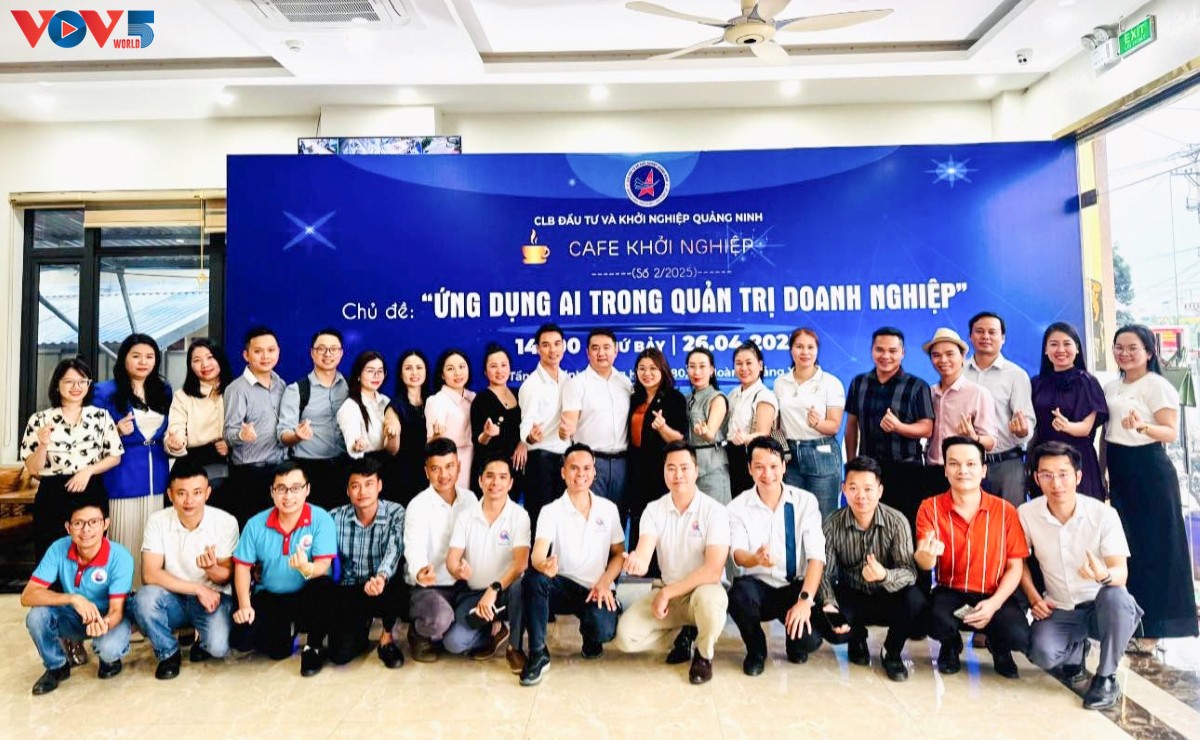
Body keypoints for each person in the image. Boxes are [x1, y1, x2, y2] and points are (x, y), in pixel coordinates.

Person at [1021, 442, 1143, 710]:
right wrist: (1033, 597)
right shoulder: (1027, 514)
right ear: (1037, 478)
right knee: (1041, 653)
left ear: (1078, 477)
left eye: (1063, 474)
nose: (1056, 483)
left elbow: (1120, 573)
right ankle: (1077, 648)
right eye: (1047, 475)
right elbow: (1017, 562)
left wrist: (1103, 575)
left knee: (1116, 596)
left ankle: (1106, 677)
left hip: (1101, 608)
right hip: (1061, 608)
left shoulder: (1103, 515)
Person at [1102, 324, 1197, 649]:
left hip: (1150, 471)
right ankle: (1133, 622)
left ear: (1148, 352)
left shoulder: (1157, 385)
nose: (1125, 353)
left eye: (1133, 348)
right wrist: (1102, 472)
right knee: (1128, 549)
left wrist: (1144, 427)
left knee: (1156, 548)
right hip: (1120, 469)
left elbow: (1170, 432)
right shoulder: (1112, 386)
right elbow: (1107, 434)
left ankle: (1155, 628)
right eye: (1119, 347)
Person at [614, 441, 730, 685]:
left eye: (684, 468)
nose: (678, 475)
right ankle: (683, 634)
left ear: (696, 471)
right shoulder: (654, 510)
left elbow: (713, 570)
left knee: (712, 604)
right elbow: (644, 552)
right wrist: (636, 563)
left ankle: (703, 654)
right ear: (664, 472)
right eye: (671, 468)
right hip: (669, 595)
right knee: (626, 637)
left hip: (702, 591)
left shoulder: (715, 511)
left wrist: (667, 593)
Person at [916, 436, 1030, 678]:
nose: (963, 471)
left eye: (970, 464)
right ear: (945, 470)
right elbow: (926, 561)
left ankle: (998, 645)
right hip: (951, 591)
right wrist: (925, 556)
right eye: (954, 464)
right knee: (932, 619)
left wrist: (994, 604)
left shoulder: (1005, 511)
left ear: (983, 470)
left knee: (1018, 635)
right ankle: (951, 644)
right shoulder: (930, 507)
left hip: (993, 592)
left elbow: (1015, 567)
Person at [520, 443, 626, 686]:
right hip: (563, 585)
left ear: (594, 472)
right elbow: (537, 555)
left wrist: (605, 582)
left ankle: (590, 635)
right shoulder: (551, 511)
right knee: (533, 579)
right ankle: (538, 653)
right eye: (574, 468)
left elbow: (619, 554)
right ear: (563, 472)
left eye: (586, 468)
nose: (580, 474)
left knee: (603, 630)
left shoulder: (608, 509)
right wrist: (544, 565)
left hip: (596, 589)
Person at [818, 456, 927, 682]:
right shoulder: (832, 524)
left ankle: (891, 651)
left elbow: (909, 572)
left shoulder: (897, 521)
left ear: (880, 490)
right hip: (852, 593)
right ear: (843, 490)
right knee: (829, 624)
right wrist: (829, 602)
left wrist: (884, 575)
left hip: (887, 594)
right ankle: (857, 638)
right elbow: (824, 573)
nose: (861, 496)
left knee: (915, 601)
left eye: (868, 489)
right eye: (853, 488)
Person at [726, 437, 826, 676]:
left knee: (809, 640)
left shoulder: (805, 502)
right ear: (749, 469)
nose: (767, 474)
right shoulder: (737, 507)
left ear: (783, 466)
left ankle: (794, 641)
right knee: (738, 596)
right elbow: (738, 555)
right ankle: (756, 650)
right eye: (759, 467)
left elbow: (816, 557)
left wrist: (804, 601)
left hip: (793, 587)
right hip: (758, 587)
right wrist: (756, 559)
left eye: (773, 466)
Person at [130, 462, 239, 679]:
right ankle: (168, 652)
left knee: (218, 647)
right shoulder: (157, 521)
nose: (189, 501)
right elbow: (150, 574)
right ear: (170, 494)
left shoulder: (226, 522)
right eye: (181, 493)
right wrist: (197, 588)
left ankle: (203, 642)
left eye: (197, 492)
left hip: (213, 599)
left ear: (207, 493)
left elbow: (227, 575)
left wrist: (212, 569)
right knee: (144, 599)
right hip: (174, 597)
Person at [230, 461, 338, 677]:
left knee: (324, 587)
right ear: (272, 492)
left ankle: (313, 647)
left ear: (307, 489)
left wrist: (306, 568)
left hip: (308, 592)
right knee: (245, 641)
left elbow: (324, 565)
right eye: (281, 489)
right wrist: (245, 605)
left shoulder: (321, 519)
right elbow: (242, 567)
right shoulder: (255, 524)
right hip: (271, 595)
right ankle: (287, 631)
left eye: (296, 488)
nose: (288, 496)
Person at [22, 498, 133, 695]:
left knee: (109, 648)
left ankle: (109, 659)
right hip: (73, 615)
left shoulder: (120, 556)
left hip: (107, 617)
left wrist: (104, 624)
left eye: (94, 522)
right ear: (68, 527)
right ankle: (57, 666)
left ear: (105, 524)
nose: (86, 530)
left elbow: (117, 610)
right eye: (78, 523)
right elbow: (28, 596)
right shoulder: (58, 548)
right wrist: (73, 598)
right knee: (36, 616)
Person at [20, 357, 123, 562]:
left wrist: (88, 471)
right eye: (69, 381)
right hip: (53, 492)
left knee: (91, 553)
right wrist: (43, 445)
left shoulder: (101, 416)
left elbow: (115, 456)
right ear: (57, 385)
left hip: (90, 488)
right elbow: (32, 468)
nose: (76, 387)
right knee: (50, 551)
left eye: (82, 381)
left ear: (89, 385)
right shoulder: (39, 419)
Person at [93, 333, 171, 584]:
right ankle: (121, 594)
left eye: (149, 356)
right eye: (136, 356)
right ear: (123, 358)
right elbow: (90, 438)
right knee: (123, 537)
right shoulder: (105, 392)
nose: (143, 362)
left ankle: (148, 594)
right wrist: (115, 431)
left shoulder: (163, 390)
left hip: (157, 476)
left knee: (153, 539)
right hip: (122, 475)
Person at [443, 456, 530, 673]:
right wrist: (457, 569)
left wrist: (494, 589)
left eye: (502, 477)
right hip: (474, 594)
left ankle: (515, 648)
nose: (495, 482)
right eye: (490, 476)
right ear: (480, 480)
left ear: (510, 483)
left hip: (506, 593)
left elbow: (521, 563)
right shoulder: (466, 516)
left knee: (521, 587)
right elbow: (452, 559)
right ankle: (494, 632)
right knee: (453, 643)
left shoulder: (519, 516)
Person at [844, 327, 934, 528]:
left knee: (906, 526)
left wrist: (899, 427)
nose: (886, 356)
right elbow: (851, 425)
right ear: (872, 351)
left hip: (906, 470)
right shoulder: (859, 383)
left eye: (893, 351)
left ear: (903, 353)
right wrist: (851, 463)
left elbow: (927, 428)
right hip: (868, 471)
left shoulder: (917, 385)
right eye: (880, 350)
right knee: (869, 526)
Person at [325, 456, 407, 668]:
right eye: (356, 486)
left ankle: (386, 638)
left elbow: (394, 549)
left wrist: (381, 577)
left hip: (382, 583)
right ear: (348, 490)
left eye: (369, 484)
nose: (362, 492)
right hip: (350, 587)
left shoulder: (396, 512)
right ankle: (360, 628)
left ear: (379, 486)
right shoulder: (334, 517)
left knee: (398, 575)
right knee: (339, 656)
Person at [402, 438, 478, 662]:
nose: (444, 475)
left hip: (462, 585)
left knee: (460, 636)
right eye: (436, 469)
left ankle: (468, 633)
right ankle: (419, 635)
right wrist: (420, 571)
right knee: (440, 618)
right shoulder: (418, 505)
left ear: (459, 467)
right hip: (429, 586)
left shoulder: (471, 499)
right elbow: (413, 547)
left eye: (449, 466)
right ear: (426, 471)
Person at [964, 312, 1035, 507]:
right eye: (979, 331)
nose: (985, 336)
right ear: (970, 336)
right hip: (966, 464)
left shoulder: (1016, 375)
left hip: (1006, 464)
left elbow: (1027, 421)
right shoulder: (958, 372)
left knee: (1009, 519)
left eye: (992, 332)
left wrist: (1023, 430)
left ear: (1002, 338)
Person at [1029, 322, 1107, 500]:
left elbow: (1086, 428)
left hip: (1077, 460)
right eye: (1054, 344)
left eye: (1067, 344)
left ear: (1077, 348)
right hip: (1044, 460)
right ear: (1045, 350)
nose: (1060, 350)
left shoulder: (1087, 382)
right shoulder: (1037, 383)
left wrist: (1067, 426)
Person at [560, 329, 632, 520]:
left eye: (607, 347)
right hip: (590, 464)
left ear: (616, 351)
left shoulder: (625, 383)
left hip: (623, 464)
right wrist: (565, 431)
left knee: (618, 520)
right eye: (595, 348)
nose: (601, 353)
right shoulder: (576, 384)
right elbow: (569, 424)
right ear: (587, 352)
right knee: (590, 519)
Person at [774, 328, 845, 518]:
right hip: (789, 455)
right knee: (792, 516)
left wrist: (818, 424)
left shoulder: (830, 383)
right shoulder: (780, 382)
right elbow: (777, 425)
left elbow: (834, 426)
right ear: (791, 350)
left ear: (817, 350)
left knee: (824, 516)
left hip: (821, 453)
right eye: (799, 347)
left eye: (810, 347)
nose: (805, 352)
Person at [276, 328, 350, 511]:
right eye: (321, 348)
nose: (328, 354)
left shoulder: (350, 388)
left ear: (341, 353)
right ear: (312, 353)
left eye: (333, 349)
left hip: (343, 467)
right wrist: (297, 436)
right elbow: (283, 435)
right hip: (308, 469)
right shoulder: (297, 390)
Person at [222, 326, 287, 527]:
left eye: (271, 350)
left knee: (278, 530)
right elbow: (228, 432)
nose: (265, 356)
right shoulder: (237, 389)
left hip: (279, 470)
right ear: (246, 355)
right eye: (258, 351)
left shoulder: (281, 384)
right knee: (252, 530)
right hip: (249, 474)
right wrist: (242, 434)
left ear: (278, 351)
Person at [922, 327, 998, 499]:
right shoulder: (929, 392)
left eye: (950, 354)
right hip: (932, 472)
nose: (943, 360)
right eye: (936, 355)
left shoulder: (978, 393)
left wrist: (974, 437)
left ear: (963, 356)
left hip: (964, 474)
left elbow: (991, 441)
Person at [626, 348, 687, 548]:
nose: (647, 373)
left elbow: (680, 439)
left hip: (660, 471)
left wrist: (662, 428)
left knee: (661, 525)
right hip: (635, 470)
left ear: (663, 369)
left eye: (653, 368)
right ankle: (638, 563)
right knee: (638, 523)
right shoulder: (635, 398)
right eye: (642, 368)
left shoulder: (674, 398)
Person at [518, 323, 570, 529]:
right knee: (540, 523)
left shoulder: (567, 380)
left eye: (557, 344)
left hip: (564, 460)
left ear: (564, 346)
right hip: (541, 462)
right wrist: (530, 437)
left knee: (562, 524)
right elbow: (526, 423)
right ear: (538, 349)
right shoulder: (531, 385)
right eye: (546, 345)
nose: (552, 350)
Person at [165, 338, 234, 490]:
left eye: (210, 357)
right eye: (197, 360)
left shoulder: (236, 391)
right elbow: (176, 428)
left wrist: (230, 445)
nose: (205, 365)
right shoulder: (182, 396)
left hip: (231, 467)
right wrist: (176, 443)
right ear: (190, 366)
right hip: (192, 467)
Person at [472, 343, 525, 498]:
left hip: (515, 471)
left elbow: (529, 425)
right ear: (485, 371)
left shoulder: (520, 394)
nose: (499, 370)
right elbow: (478, 439)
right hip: (491, 471)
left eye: (503, 365)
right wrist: (487, 434)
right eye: (493, 366)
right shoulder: (481, 399)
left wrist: (524, 443)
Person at [725, 341, 777, 498]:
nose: (743, 368)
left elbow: (763, 434)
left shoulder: (764, 395)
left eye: (749, 363)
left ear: (760, 365)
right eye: (738, 363)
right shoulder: (733, 394)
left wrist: (745, 438)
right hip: (730, 456)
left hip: (751, 456)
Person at [684, 348, 730, 507]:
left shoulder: (717, 398)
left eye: (702, 366)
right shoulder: (687, 399)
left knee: (716, 517)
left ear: (711, 370)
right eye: (692, 366)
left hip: (712, 469)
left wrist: (705, 433)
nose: (696, 372)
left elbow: (710, 434)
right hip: (689, 470)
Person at [384, 349, 430, 505]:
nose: (414, 372)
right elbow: (392, 450)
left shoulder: (433, 401)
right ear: (400, 373)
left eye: (419, 367)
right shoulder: (395, 406)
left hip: (431, 474)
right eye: (408, 368)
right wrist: (392, 434)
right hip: (404, 477)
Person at [336, 350, 392, 478]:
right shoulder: (350, 407)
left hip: (388, 466)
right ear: (358, 374)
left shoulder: (386, 401)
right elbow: (353, 445)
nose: (376, 375)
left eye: (380, 371)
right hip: (364, 469)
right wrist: (357, 446)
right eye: (370, 371)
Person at [426, 349, 476, 490]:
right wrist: (437, 435)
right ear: (442, 375)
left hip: (474, 462)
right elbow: (431, 444)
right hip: (449, 465)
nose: (458, 373)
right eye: (450, 369)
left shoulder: (473, 398)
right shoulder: (437, 401)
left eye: (461, 367)